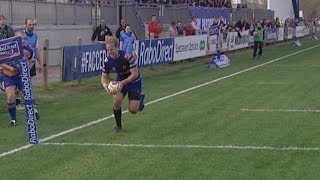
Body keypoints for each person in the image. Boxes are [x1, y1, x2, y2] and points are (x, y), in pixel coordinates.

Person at [101, 36, 145, 133]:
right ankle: (118, 127)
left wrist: (121, 83)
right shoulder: (107, 61)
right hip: (120, 80)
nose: (110, 52)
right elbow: (104, 77)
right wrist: (106, 87)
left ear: (117, 47)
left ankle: (140, 100)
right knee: (116, 101)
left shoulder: (127, 57)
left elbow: (135, 74)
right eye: (108, 50)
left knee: (133, 110)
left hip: (134, 82)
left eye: (111, 49)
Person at [0, 31, 34, 126]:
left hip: (21, 77)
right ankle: (13, 119)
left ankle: (33, 112)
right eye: (19, 39)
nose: (22, 41)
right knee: (10, 97)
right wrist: (10, 68)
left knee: (28, 95)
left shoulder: (28, 50)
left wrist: (26, 70)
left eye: (23, 39)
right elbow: (1, 61)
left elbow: (32, 61)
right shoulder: (8, 49)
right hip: (9, 75)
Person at [24, 18, 41, 119]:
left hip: (32, 63)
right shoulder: (21, 36)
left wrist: (40, 63)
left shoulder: (35, 36)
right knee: (24, 85)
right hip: (22, 64)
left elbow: (37, 50)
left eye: (33, 25)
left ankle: (31, 106)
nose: (32, 26)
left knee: (28, 85)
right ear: (25, 25)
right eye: (29, 25)